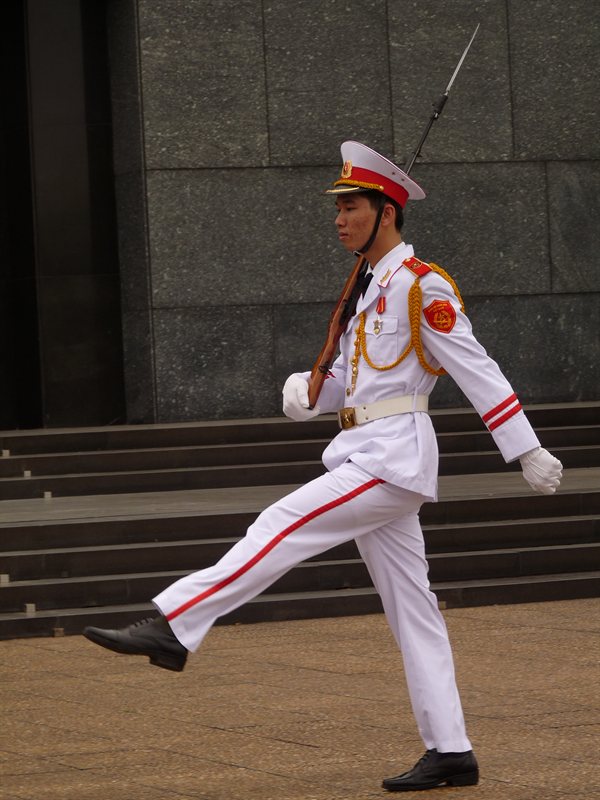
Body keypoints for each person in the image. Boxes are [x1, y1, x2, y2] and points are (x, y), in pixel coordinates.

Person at [84, 141, 563, 792]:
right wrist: (310, 394)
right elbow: (354, 380)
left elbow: (477, 369)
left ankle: (176, 624)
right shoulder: (370, 288)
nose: (339, 219)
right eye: (337, 207)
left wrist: (525, 448)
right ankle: (450, 749)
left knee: (282, 522)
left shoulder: (423, 286)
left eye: (352, 206)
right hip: (369, 447)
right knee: (414, 612)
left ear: (386, 213)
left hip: (391, 457)